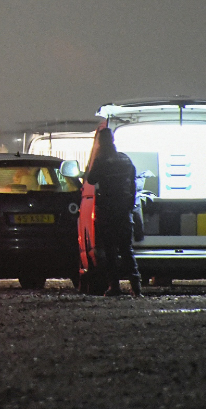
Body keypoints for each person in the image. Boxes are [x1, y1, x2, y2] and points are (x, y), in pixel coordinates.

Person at [84, 127, 142, 297]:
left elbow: (91, 179)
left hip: (108, 210)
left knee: (110, 251)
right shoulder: (125, 159)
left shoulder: (101, 160)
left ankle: (114, 287)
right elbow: (133, 183)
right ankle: (136, 287)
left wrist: (94, 158)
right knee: (126, 249)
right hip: (124, 210)